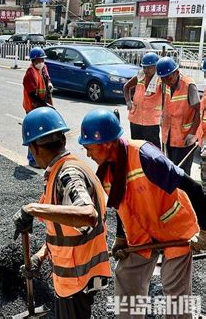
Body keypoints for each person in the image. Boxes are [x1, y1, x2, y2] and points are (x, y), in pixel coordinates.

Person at [78, 108, 206, 318]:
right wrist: (121, 239)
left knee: (176, 295)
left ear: (107, 143)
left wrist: (205, 232)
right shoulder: (105, 172)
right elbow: (120, 203)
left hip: (176, 232)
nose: (88, 154)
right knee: (126, 276)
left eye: (89, 148)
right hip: (143, 235)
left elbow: (194, 188)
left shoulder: (146, 157)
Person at [12, 107, 111, 319]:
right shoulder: (64, 169)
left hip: (76, 278)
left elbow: (87, 215)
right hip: (79, 274)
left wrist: (32, 208)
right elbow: (65, 229)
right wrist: (40, 255)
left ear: (35, 148)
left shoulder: (68, 175)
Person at [156, 57, 202, 175]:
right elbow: (165, 102)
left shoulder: (188, 85)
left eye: (169, 78)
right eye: (163, 79)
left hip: (184, 138)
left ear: (176, 73)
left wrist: (192, 133)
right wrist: (162, 116)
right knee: (170, 169)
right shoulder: (165, 83)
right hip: (168, 135)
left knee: (182, 173)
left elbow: (198, 111)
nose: (167, 81)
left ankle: (184, 193)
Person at [123, 52, 162, 149]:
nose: (146, 70)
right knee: (136, 147)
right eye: (144, 67)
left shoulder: (161, 79)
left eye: (149, 67)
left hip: (151, 121)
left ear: (156, 67)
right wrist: (128, 101)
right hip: (136, 118)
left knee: (153, 149)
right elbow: (126, 87)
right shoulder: (140, 76)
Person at [23, 47, 53, 168]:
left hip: (42, 105)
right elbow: (32, 94)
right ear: (33, 60)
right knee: (34, 133)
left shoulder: (43, 68)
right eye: (38, 60)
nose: (41, 62)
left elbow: (47, 78)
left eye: (42, 59)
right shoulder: (30, 73)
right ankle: (32, 159)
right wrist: (42, 104)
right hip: (32, 106)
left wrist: (50, 84)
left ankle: (42, 157)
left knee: (44, 133)